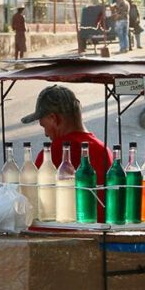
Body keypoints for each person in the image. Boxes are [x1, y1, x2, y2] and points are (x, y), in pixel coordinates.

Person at [21, 84, 113, 222]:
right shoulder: (105, 150)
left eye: (43, 126)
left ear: (54, 118)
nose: (46, 133)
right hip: (100, 233)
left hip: (61, 235)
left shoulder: (53, 154)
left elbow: (31, 203)